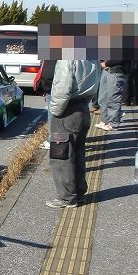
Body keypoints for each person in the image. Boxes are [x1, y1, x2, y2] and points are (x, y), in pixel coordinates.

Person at [46, 60, 101, 208]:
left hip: (67, 109)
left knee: (61, 156)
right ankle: (79, 193)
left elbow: (62, 87)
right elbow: (97, 83)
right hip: (83, 107)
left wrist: (55, 111)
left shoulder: (67, 57)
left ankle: (66, 198)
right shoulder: (92, 56)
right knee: (78, 153)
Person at [95, 60, 129, 131]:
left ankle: (113, 123)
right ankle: (105, 120)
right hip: (107, 70)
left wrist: (106, 63)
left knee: (113, 98)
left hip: (116, 70)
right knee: (103, 97)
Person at [34, 59, 56, 149]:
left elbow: (48, 74)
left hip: (54, 89)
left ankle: (53, 141)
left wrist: (45, 88)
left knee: (54, 116)